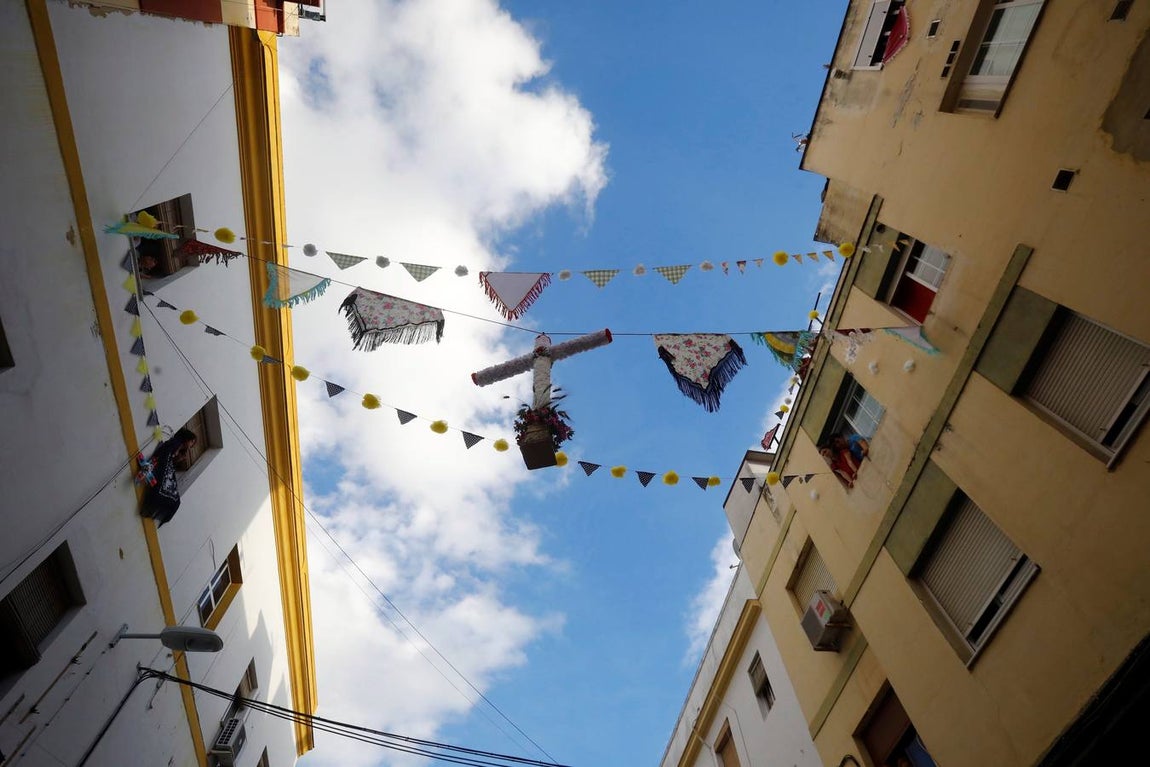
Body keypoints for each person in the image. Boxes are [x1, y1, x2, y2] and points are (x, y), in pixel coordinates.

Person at [140, 428, 197, 526]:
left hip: (166, 466)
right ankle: (153, 503)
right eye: (192, 442)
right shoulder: (176, 442)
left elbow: (172, 461)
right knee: (171, 497)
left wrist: (178, 459)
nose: (191, 446)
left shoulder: (180, 448)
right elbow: (165, 453)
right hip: (161, 464)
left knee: (175, 499)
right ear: (188, 438)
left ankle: (155, 506)